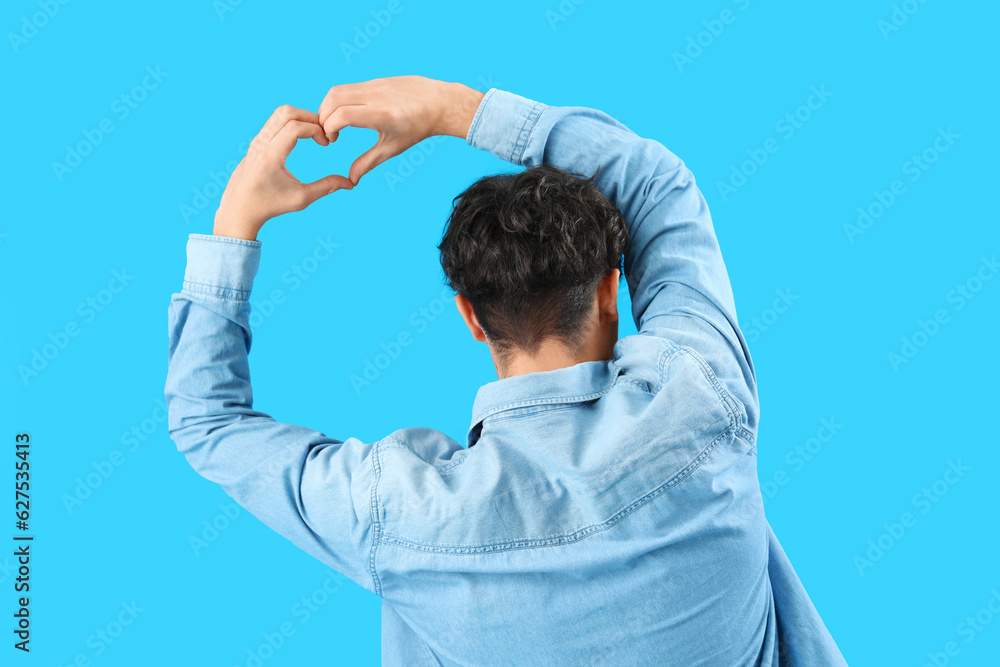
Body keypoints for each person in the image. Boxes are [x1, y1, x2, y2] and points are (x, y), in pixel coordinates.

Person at [165, 76, 847, 665]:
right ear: (612, 290)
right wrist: (452, 108)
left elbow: (206, 420)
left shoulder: (403, 513)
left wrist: (236, 220)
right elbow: (655, 183)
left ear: (469, 314)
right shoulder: (702, 400)